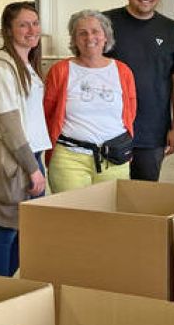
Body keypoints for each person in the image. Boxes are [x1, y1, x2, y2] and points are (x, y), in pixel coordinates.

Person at [0, 1, 50, 277]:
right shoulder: (2, 70)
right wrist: (32, 168)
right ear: (8, 30)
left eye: (35, 23)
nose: (32, 30)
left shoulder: (25, 64)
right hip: (15, 161)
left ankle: (6, 285)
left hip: (30, 155)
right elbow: (9, 126)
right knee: (6, 230)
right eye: (23, 25)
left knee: (23, 229)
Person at [104, 0, 174, 181]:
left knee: (143, 194)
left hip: (152, 132)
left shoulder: (173, 31)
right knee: (107, 194)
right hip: (109, 128)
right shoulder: (105, 24)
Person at [44, 10, 137, 192]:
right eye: (82, 33)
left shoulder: (123, 71)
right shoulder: (60, 71)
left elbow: (130, 112)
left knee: (109, 209)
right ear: (74, 39)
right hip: (69, 159)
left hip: (114, 158)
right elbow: (48, 112)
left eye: (95, 31)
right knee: (71, 210)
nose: (89, 37)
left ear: (105, 36)